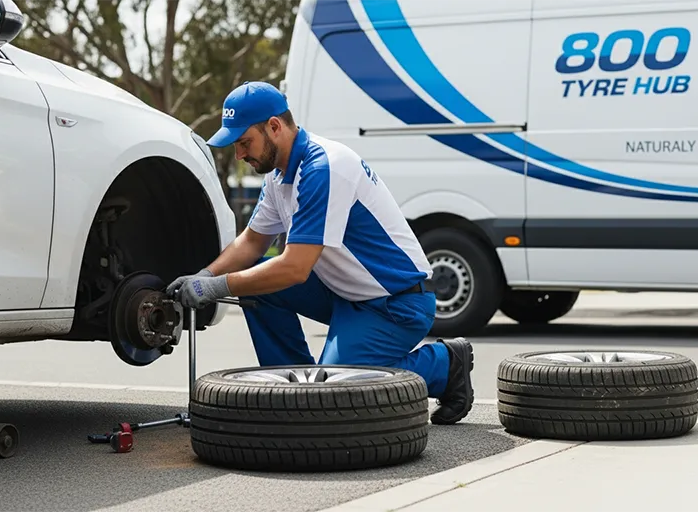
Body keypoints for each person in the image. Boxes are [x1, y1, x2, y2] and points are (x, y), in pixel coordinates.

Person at [166, 81, 474, 425]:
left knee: (340, 389)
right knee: (258, 287)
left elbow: (295, 269)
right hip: (343, 292)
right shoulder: (279, 175)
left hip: (396, 304)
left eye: (244, 142)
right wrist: (205, 276)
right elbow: (252, 242)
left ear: (274, 127)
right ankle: (296, 393)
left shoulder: (323, 168)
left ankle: (445, 365)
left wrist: (218, 287)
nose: (239, 155)